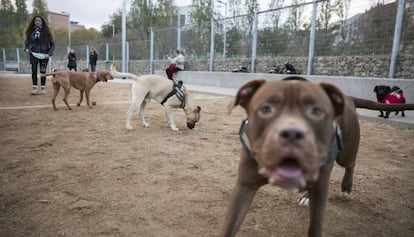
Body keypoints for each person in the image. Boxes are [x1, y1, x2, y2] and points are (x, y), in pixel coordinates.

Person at [24, 15, 55, 95]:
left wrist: (49, 54)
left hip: (44, 55)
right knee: (34, 71)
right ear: (34, 22)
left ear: (42, 22)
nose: (38, 22)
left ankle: (43, 88)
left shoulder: (47, 32)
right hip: (33, 54)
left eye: (39, 21)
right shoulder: (30, 32)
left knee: (43, 71)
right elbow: (26, 43)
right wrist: (26, 49)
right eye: (36, 21)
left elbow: (52, 44)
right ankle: (34, 88)